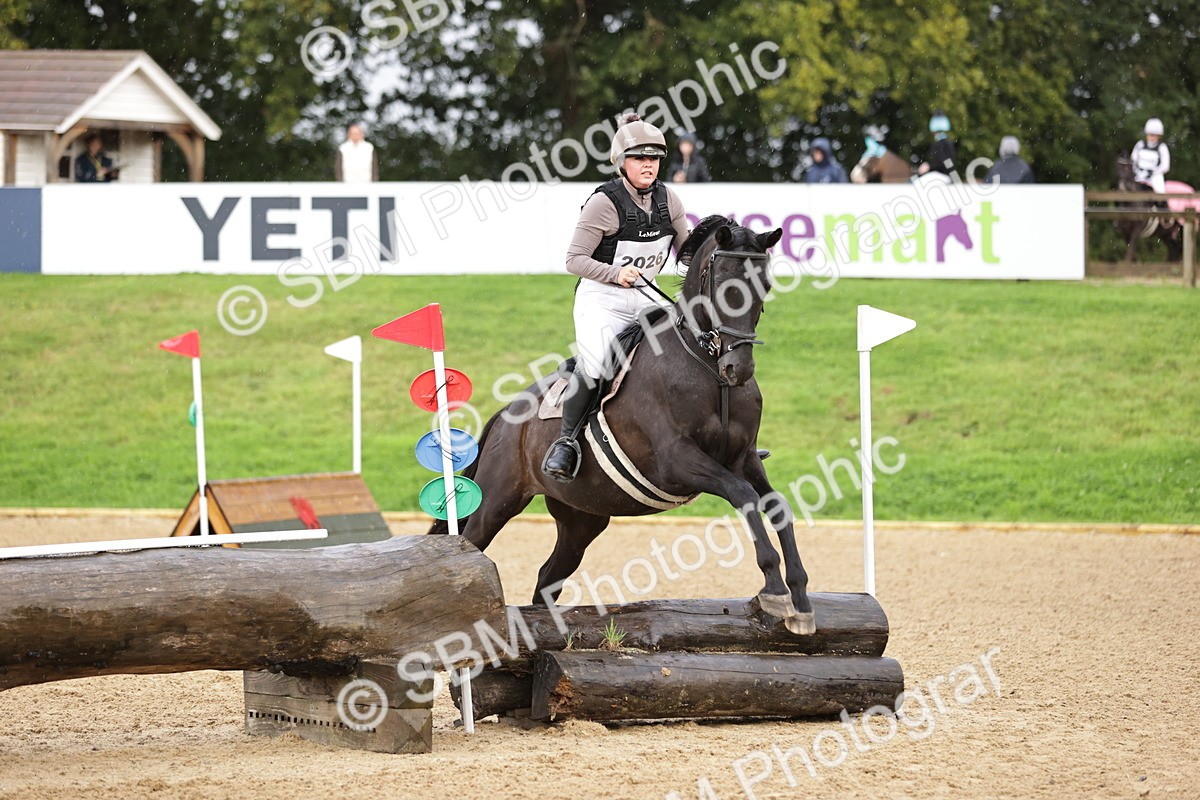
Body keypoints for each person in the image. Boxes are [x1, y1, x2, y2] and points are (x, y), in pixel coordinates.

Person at [542, 113, 691, 482]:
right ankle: (567, 442)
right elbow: (573, 260)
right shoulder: (603, 203)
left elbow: (686, 251)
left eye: (654, 159)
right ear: (622, 163)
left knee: (692, 348)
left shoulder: (668, 199)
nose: (648, 165)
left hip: (645, 297)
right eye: (640, 158)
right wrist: (614, 273)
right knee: (594, 366)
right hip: (602, 297)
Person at [1131, 118, 1170, 194]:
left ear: (1158, 136)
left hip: (1155, 176)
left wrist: (1152, 173)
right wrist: (1137, 171)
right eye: (1150, 135)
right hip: (1139, 174)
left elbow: (1165, 166)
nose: (1152, 137)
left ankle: (1161, 204)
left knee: (1160, 191)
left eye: (1154, 135)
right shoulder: (1140, 145)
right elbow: (1133, 159)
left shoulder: (1162, 147)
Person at [918, 111, 956, 177]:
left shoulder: (941, 144)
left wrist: (929, 167)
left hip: (942, 176)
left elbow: (944, 163)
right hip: (945, 175)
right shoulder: (946, 142)